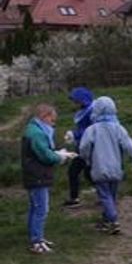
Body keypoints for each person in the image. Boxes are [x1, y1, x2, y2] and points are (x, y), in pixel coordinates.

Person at [78, 97, 132, 235]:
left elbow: (84, 147)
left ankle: (112, 220)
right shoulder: (118, 128)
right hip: (116, 167)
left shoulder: (92, 130)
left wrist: (86, 158)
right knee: (111, 195)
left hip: (99, 167)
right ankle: (106, 220)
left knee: (105, 196)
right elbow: (129, 145)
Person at [23, 104, 76, 253]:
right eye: (52, 120)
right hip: (37, 175)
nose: (53, 123)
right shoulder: (37, 133)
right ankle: (36, 242)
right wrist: (60, 157)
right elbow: (45, 156)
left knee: (35, 208)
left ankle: (37, 237)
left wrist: (58, 153)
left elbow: (44, 151)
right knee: (41, 209)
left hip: (34, 174)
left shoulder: (33, 130)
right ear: (44, 117)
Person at [63, 87, 94, 208]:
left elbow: (90, 130)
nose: (75, 104)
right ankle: (75, 197)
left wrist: (75, 134)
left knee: (85, 172)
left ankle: (105, 194)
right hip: (81, 146)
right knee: (77, 172)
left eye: (76, 101)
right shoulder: (84, 110)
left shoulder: (91, 111)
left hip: (89, 147)